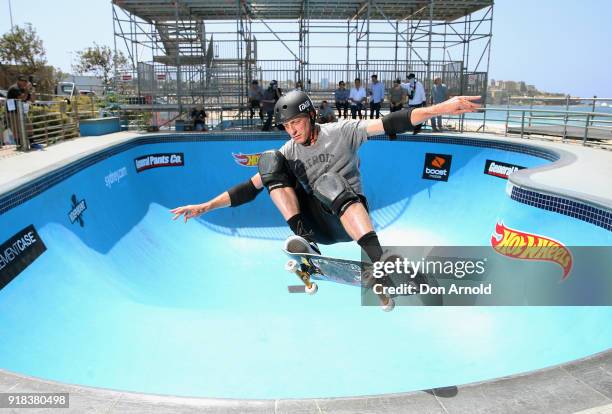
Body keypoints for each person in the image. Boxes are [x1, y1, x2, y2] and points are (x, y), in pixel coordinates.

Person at [170, 90, 480, 308]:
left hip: (348, 217)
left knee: (329, 182)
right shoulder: (288, 150)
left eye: (297, 124)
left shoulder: (342, 131)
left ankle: (379, 259)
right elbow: (250, 187)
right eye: (287, 126)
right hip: (317, 225)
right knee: (268, 162)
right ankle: (305, 240)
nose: (292, 131)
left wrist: (439, 108)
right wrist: (205, 206)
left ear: (311, 116)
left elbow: (391, 122)